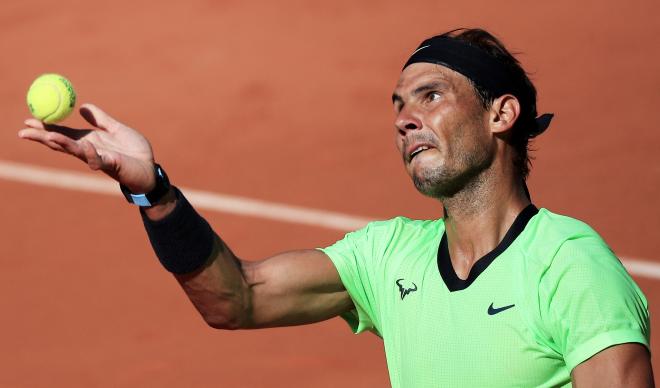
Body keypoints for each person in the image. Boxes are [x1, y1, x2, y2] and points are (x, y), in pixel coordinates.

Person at [19, 28, 653, 387]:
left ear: (500, 113)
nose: (407, 120)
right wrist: (151, 188)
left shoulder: (569, 266)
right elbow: (236, 297)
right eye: (400, 106)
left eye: (431, 96)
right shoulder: (386, 257)